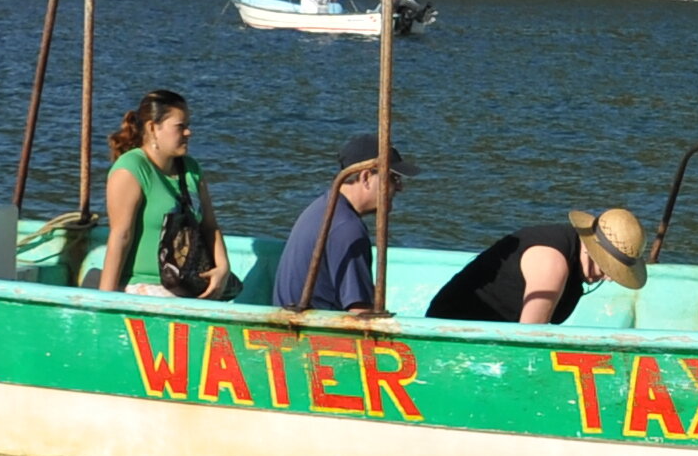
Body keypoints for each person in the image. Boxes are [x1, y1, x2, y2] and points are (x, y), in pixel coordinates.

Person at [98, 89, 233, 297]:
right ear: (153, 128)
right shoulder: (131, 168)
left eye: (188, 126)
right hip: (146, 285)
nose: (189, 133)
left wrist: (223, 267)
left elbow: (210, 226)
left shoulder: (191, 169)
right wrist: (104, 299)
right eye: (180, 127)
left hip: (189, 281)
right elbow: (120, 236)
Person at [424, 207, 654, 325]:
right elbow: (530, 338)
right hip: (455, 329)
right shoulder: (551, 264)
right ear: (591, 250)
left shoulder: (573, 252)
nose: (610, 278)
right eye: (608, 268)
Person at [271, 133, 409, 314]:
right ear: (366, 177)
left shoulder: (324, 206)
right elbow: (360, 314)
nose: (399, 188)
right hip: (315, 335)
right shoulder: (347, 228)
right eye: (393, 178)